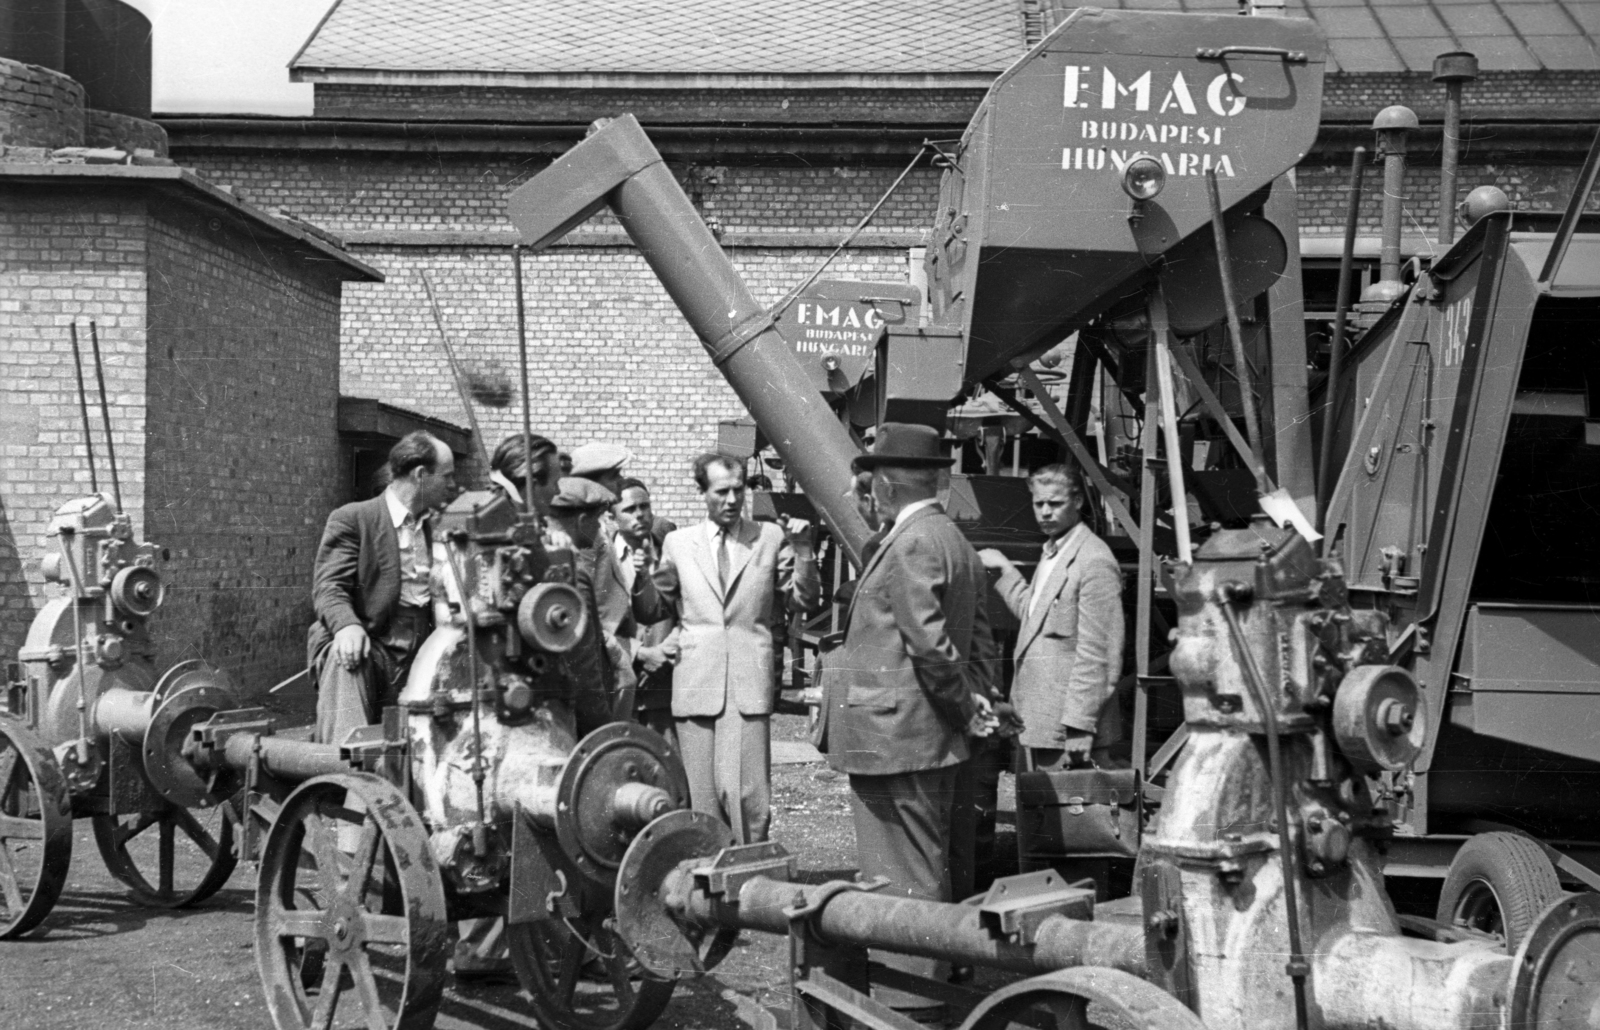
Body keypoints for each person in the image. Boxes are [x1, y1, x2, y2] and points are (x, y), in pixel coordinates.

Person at [825, 423, 997, 1020]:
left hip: (896, 740)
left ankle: (909, 1008)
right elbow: (978, 642)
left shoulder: (912, 543)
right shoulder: (947, 537)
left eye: (869, 484)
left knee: (899, 881)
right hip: (926, 737)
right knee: (927, 870)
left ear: (886, 484)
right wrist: (974, 711)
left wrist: (963, 708)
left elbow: (928, 647)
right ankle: (930, 995)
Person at [647, 453, 820, 844]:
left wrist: (805, 550)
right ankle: (709, 888)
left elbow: (803, 601)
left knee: (748, 798)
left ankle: (752, 878)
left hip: (747, 684)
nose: (731, 500)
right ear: (702, 493)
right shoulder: (677, 543)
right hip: (696, 684)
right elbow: (655, 606)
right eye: (721, 491)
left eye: (737, 490)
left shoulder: (770, 539)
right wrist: (645, 571)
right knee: (702, 803)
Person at [308, 431, 458, 745]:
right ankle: (351, 778)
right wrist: (346, 626)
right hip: (374, 644)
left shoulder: (441, 527)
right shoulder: (353, 519)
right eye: (447, 476)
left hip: (424, 647)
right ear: (420, 475)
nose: (453, 485)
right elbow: (329, 586)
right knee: (346, 656)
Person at [980, 463, 1124, 769]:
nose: (1045, 512)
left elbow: (1099, 655)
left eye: (1055, 504)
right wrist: (1006, 572)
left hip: (1068, 733)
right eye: (1038, 503)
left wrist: (1081, 727)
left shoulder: (1093, 560)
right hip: (1037, 722)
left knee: (1071, 814)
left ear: (1078, 502)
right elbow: (1037, 620)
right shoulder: (1052, 553)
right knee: (1035, 815)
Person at [546, 477, 622, 736]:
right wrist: (601, 726)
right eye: (597, 520)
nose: (600, 528)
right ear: (581, 522)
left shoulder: (545, 562)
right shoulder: (574, 575)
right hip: (577, 721)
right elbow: (585, 666)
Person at [614, 477, 679, 739]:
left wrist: (668, 648)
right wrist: (640, 653)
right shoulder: (601, 559)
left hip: (666, 688)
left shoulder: (673, 552)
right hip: (620, 687)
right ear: (612, 515)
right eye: (629, 509)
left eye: (644, 506)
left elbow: (692, 609)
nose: (639, 515)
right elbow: (595, 623)